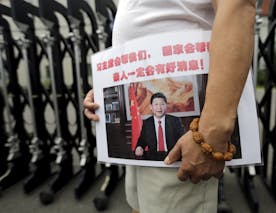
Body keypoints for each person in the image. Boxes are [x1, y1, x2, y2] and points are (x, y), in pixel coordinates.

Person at [84, 0, 255, 212]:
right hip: (139, 145)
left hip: (186, 141)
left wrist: (210, 135)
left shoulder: (174, 119)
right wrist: (107, 88)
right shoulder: (148, 123)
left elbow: (237, 7)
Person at [134, 92, 185, 161]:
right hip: (153, 158)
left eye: (162, 104)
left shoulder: (175, 121)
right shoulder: (147, 123)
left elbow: (183, 140)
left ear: (166, 106)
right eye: (156, 104)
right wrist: (139, 147)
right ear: (151, 107)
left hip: (172, 157)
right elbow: (142, 141)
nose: (159, 108)